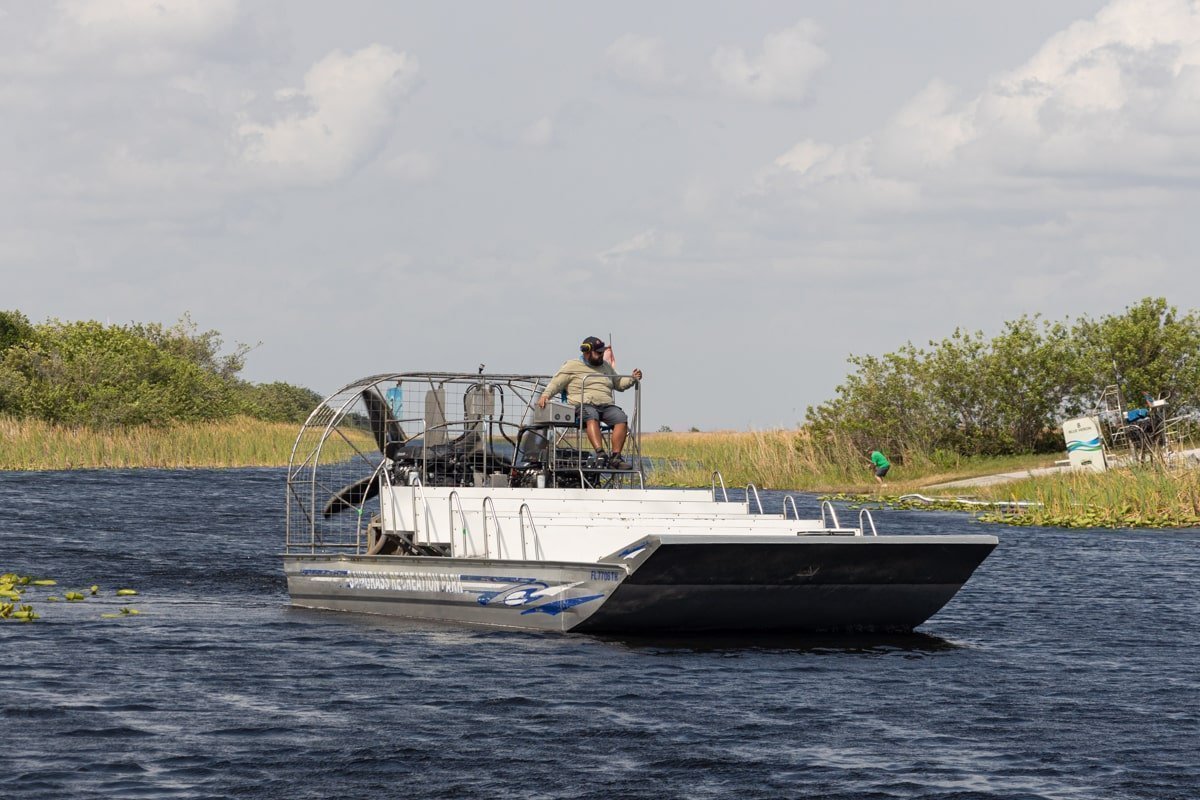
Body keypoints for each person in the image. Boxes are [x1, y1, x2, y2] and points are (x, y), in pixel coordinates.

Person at [538, 336, 642, 470]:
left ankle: (616, 458)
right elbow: (556, 383)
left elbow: (619, 384)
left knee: (621, 417)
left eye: (602, 352)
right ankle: (600, 454)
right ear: (586, 352)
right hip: (582, 405)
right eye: (598, 352)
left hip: (606, 405)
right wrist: (546, 395)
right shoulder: (572, 365)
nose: (601, 355)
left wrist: (633, 379)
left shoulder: (606, 366)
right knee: (591, 414)